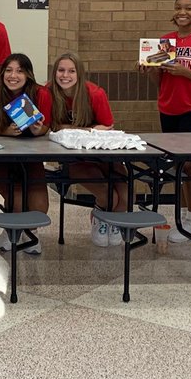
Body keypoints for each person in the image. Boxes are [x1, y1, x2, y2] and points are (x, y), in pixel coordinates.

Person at [140, 0, 191, 242]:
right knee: (176, 164)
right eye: (178, 7)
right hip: (168, 107)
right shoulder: (166, 40)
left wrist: (184, 72)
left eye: (188, 8)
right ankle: (182, 215)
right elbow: (159, 81)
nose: (182, 12)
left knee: (190, 165)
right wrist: (151, 69)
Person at [48, 52, 128, 247]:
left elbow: (107, 126)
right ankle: (100, 217)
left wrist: (70, 128)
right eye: (61, 70)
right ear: (54, 72)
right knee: (108, 194)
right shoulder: (47, 92)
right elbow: (48, 127)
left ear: (79, 74)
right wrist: (88, 129)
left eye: (71, 71)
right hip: (74, 157)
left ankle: (114, 223)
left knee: (126, 192)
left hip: (103, 154)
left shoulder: (95, 93)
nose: (65, 75)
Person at [0, 54, 52, 254]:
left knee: (40, 205)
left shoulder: (41, 94)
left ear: (28, 74)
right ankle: (13, 230)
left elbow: (46, 126)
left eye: (20, 71)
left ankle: (30, 231)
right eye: (9, 70)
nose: (13, 75)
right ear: (2, 73)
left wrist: (39, 130)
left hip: (30, 155)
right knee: (17, 198)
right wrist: (4, 131)